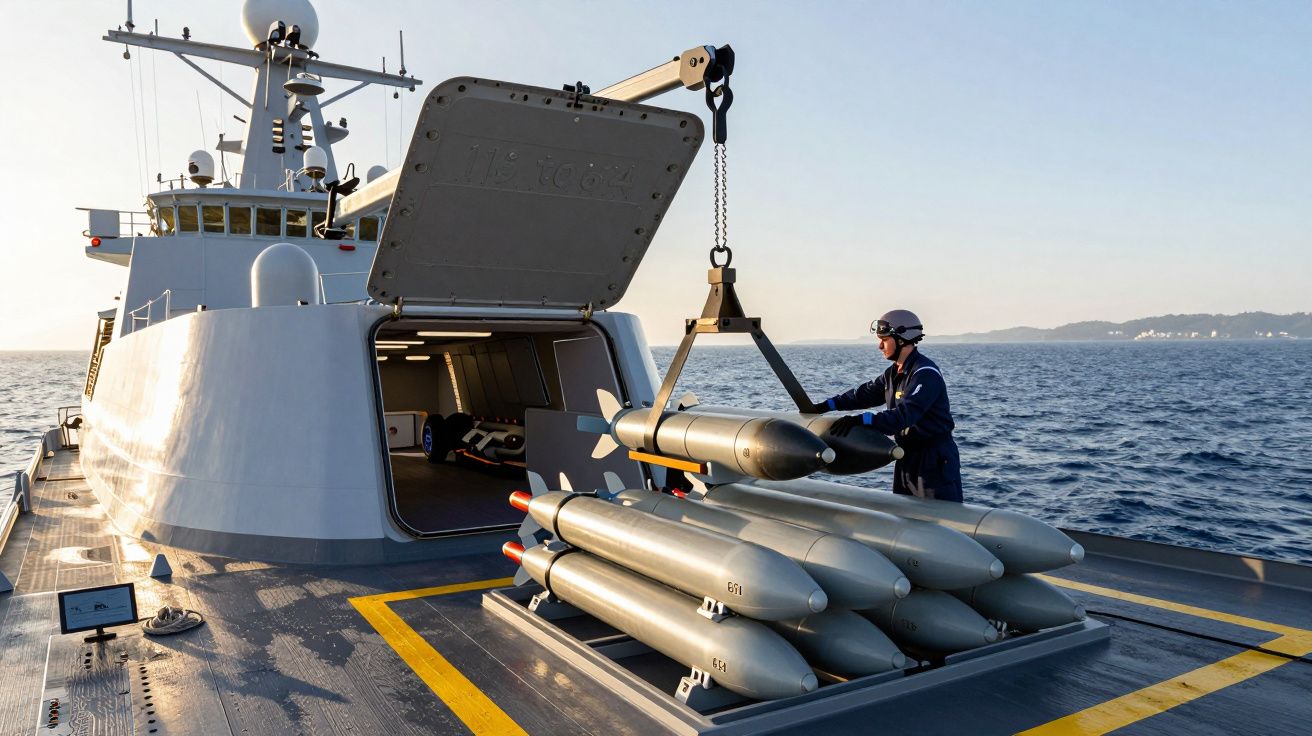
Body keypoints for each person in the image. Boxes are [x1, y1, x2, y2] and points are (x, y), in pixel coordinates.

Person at [811, 309, 963, 502]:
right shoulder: (893, 373)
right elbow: (863, 395)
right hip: (906, 457)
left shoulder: (925, 374)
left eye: (884, 339)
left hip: (934, 461)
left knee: (941, 523)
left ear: (901, 339)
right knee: (905, 520)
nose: (879, 346)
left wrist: (862, 420)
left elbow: (902, 417)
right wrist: (826, 405)